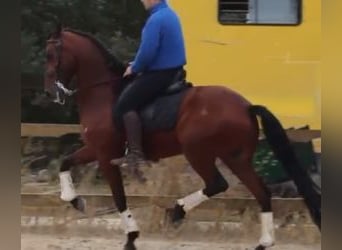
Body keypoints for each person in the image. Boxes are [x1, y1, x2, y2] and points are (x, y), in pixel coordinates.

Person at [111, 0, 187, 173]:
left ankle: (135, 155)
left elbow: (148, 52)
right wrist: (136, 63)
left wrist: (134, 68)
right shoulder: (170, 14)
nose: (142, 1)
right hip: (173, 71)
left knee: (124, 106)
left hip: (160, 74)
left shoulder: (156, 19)